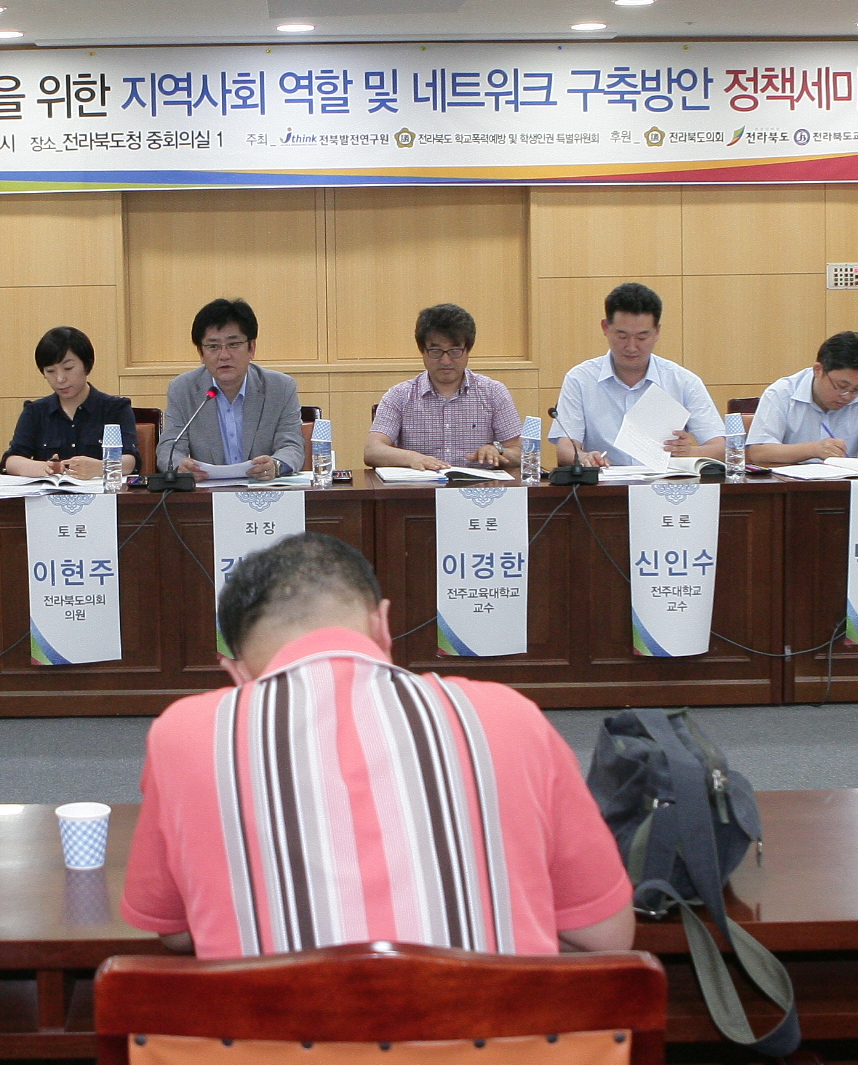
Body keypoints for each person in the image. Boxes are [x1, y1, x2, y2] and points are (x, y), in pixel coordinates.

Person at [121, 533, 634, 958]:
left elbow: (174, 929)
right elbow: (606, 938)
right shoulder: (509, 714)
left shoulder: (184, 733)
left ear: (235, 674)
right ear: (382, 624)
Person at [550, 281, 722, 467]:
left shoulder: (682, 381)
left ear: (657, 332)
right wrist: (584, 458)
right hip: (605, 488)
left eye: (642, 337)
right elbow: (565, 449)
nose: (631, 347)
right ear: (605, 328)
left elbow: (721, 448)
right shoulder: (580, 379)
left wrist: (689, 452)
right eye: (622, 336)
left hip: (664, 487)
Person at [154, 298, 305, 478]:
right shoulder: (182, 389)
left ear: (252, 348)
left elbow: (292, 446)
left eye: (233, 344)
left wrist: (276, 465)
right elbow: (169, 448)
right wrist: (180, 466)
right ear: (201, 353)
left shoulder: (280, 387)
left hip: (262, 491)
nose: (224, 355)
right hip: (206, 496)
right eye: (213, 346)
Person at [363, 303, 524, 473]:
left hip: (479, 492)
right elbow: (372, 450)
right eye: (436, 351)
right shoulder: (400, 395)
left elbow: (521, 452)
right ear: (422, 351)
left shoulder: (493, 392)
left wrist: (497, 450)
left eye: (455, 351)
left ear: (467, 350)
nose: (446, 361)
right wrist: (414, 458)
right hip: (421, 492)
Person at [745, 330, 858, 466]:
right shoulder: (781, 393)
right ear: (818, 370)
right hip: (790, 488)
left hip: (845, 486)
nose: (847, 397)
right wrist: (814, 449)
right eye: (841, 386)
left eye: (856, 389)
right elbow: (759, 451)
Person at [0, 325, 137, 479]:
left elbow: (130, 461)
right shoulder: (35, 412)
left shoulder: (115, 409)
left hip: (103, 498)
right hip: (47, 499)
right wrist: (44, 468)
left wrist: (100, 467)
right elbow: (11, 460)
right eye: (50, 371)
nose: (60, 379)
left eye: (68, 368)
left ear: (87, 365)